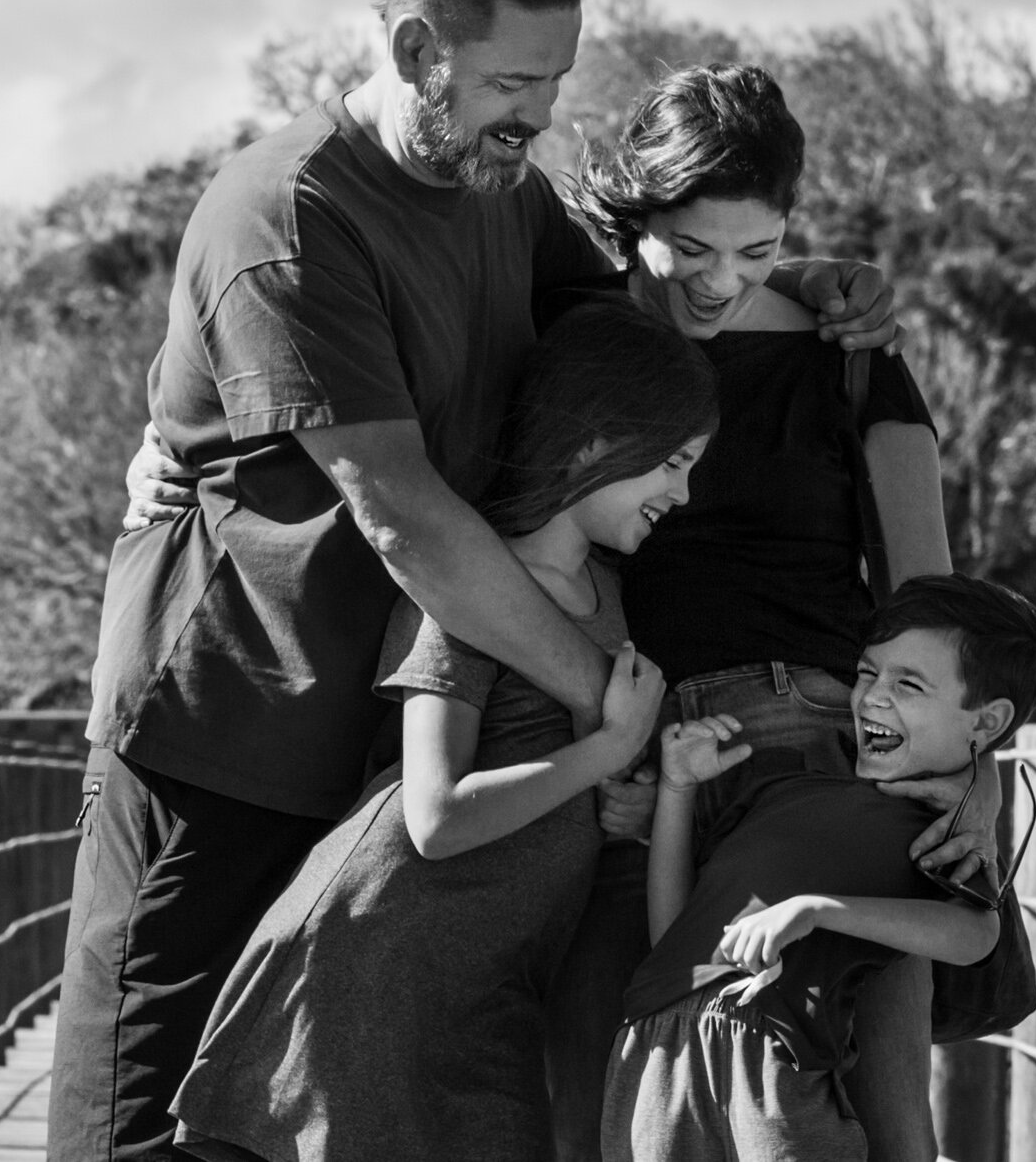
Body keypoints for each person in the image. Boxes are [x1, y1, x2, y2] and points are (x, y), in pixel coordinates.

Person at [53, 0, 896, 1162]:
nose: (537, 116)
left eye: (552, 84)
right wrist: (617, 709)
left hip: (373, 734)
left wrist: (801, 282)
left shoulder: (498, 188)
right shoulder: (286, 213)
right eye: (509, 80)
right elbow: (404, 516)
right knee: (149, 1120)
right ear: (411, 49)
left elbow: (637, 301)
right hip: (221, 727)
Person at [541, 66, 1003, 1162]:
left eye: (755, 253)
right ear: (637, 214)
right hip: (640, 760)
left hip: (831, 755)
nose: (721, 283)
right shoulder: (575, 339)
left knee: (878, 1126)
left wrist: (977, 771)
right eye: (692, 249)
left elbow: (927, 596)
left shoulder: (848, 351)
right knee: (626, 1113)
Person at [171, 302, 716, 1162]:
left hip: (490, 988)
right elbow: (435, 818)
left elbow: (573, 784)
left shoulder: (609, 593)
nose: (682, 495)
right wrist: (606, 751)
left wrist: (624, 795)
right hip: (378, 966)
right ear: (597, 442)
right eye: (673, 463)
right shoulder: (465, 586)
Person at [601, 576, 1036, 1162]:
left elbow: (974, 935)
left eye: (908, 684)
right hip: (651, 1065)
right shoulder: (777, 784)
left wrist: (817, 912)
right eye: (866, 673)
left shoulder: (941, 830)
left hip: (770, 1072)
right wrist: (677, 787)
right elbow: (673, 940)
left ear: (985, 724)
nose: (872, 698)